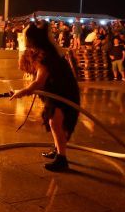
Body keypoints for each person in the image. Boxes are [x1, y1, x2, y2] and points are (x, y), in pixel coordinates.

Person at [11, 24, 80, 172]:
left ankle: (62, 159)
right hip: (57, 91)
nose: (23, 38)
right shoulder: (40, 51)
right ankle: (58, 149)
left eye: (25, 36)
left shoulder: (46, 55)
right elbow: (25, 68)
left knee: (56, 123)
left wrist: (23, 91)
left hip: (62, 92)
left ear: (33, 39)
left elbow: (39, 82)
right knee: (54, 122)